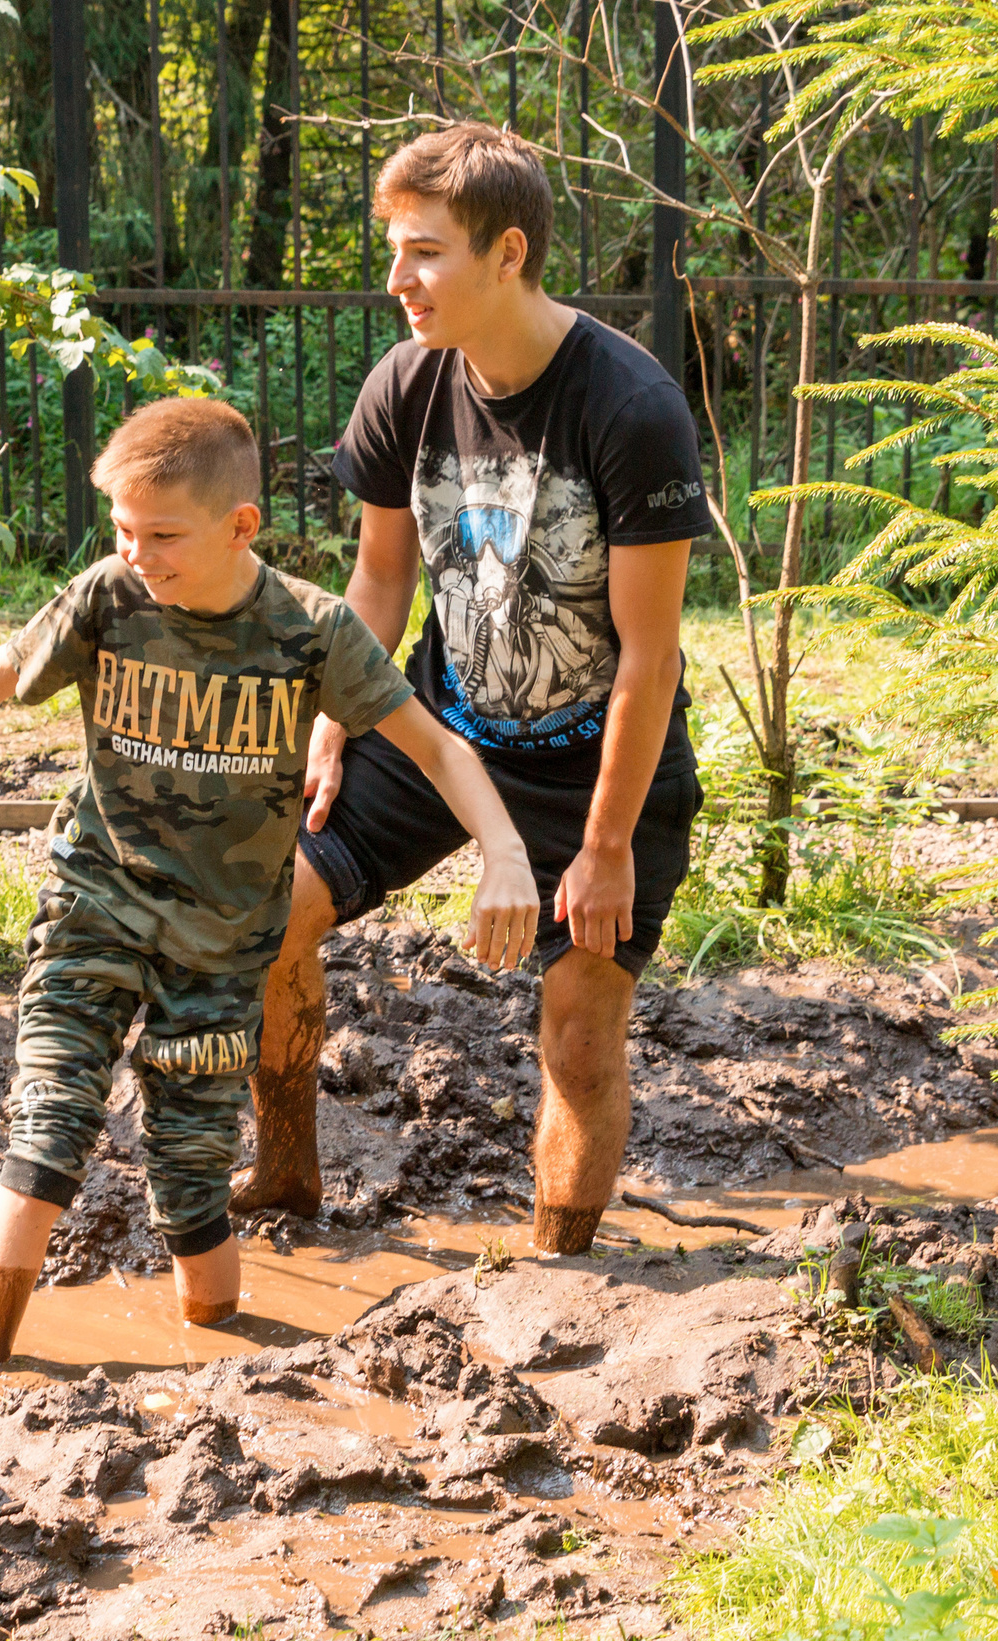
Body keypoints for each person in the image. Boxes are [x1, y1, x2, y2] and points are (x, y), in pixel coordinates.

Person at [0, 397, 538, 1372]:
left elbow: (436, 748)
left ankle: (231, 1364)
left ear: (240, 525)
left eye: (162, 534)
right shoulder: (109, 597)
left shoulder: (312, 632)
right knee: (44, 1146)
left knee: (186, 1187)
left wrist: (506, 855)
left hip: (221, 952)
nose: (137, 553)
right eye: (123, 530)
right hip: (92, 909)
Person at [231, 122, 712, 1257]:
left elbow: (650, 657)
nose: (397, 281)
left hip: (598, 765)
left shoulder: (629, 408)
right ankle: (285, 1178)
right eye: (394, 251)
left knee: (579, 1032)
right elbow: (382, 575)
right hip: (441, 730)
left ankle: (559, 1263)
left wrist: (602, 848)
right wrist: (339, 718)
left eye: (425, 253)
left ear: (507, 253)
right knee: (271, 912)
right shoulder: (406, 381)